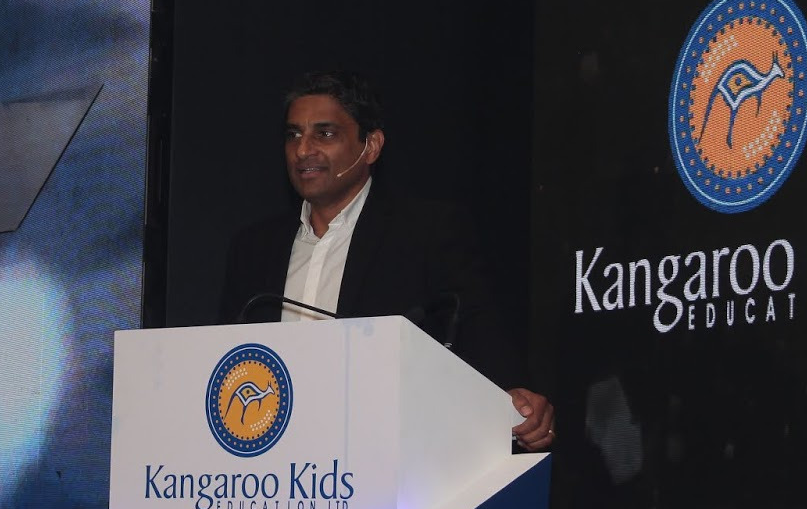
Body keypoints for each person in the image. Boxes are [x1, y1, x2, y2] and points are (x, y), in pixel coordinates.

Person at [217, 70, 556, 451]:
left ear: (371, 146)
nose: (303, 150)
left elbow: (478, 328)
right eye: (293, 135)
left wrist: (515, 395)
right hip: (270, 456)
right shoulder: (254, 248)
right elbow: (225, 360)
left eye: (324, 134)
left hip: (385, 450)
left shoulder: (425, 233)